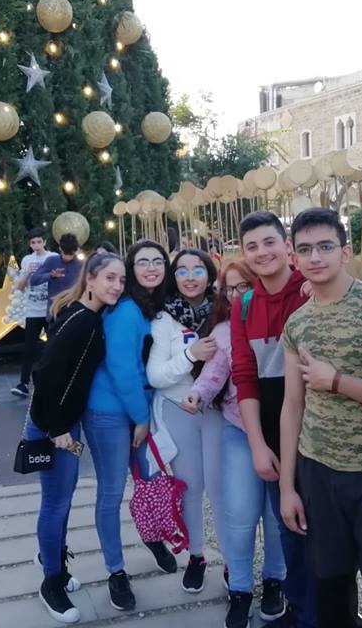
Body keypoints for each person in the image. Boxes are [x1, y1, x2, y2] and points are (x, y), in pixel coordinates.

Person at [279, 208, 362, 628]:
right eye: (305, 249)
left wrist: (337, 381)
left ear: (345, 251)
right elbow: (292, 405)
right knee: (330, 589)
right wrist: (287, 487)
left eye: (325, 246)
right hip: (318, 471)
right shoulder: (297, 322)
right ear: (294, 257)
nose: (315, 257)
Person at [28, 252, 126, 623]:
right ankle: (50, 581)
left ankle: (54, 561)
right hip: (53, 425)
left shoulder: (81, 313)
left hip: (62, 422)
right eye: (110, 278)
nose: (117, 286)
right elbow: (45, 373)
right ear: (90, 279)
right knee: (55, 503)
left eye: (122, 280)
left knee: (62, 500)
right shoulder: (83, 320)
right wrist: (56, 429)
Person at [190, 259, 287, 628]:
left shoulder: (281, 319)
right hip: (239, 429)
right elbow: (214, 373)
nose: (235, 295)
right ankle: (241, 589)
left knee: (278, 517)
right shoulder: (224, 331)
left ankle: (275, 581)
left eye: (242, 286)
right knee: (240, 513)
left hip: (282, 430)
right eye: (229, 289)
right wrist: (197, 394)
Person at [84, 240, 178, 612]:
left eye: (158, 261)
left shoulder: (152, 305)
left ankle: (152, 535)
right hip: (110, 411)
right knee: (111, 492)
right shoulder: (125, 310)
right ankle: (116, 570)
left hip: (138, 405)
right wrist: (140, 418)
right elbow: (122, 369)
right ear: (130, 268)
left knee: (149, 482)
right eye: (142, 262)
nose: (151, 268)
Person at [230, 210, 314, 628]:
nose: (262, 252)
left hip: (317, 429)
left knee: (322, 529)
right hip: (271, 427)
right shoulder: (243, 305)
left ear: (286, 245)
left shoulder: (311, 290)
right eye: (252, 246)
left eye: (269, 242)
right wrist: (257, 445)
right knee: (289, 527)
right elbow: (244, 376)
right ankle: (300, 610)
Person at [145, 249, 224, 593]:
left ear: (210, 274)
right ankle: (196, 556)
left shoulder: (224, 309)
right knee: (190, 487)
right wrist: (190, 354)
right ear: (173, 277)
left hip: (218, 409)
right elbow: (156, 375)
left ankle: (233, 562)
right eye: (182, 271)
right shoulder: (165, 318)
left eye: (198, 270)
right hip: (178, 408)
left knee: (221, 489)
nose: (190, 277)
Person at [13, 228, 57, 399]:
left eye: (39, 242)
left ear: (44, 242)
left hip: (50, 309)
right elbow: (20, 286)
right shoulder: (27, 260)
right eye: (33, 242)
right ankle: (23, 383)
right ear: (29, 244)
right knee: (29, 348)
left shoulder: (53, 257)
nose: (36, 245)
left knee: (53, 346)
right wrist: (28, 273)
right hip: (32, 310)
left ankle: (53, 381)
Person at [31, 233, 83, 316]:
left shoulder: (82, 265)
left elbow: (89, 289)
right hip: (55, 313)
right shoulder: (52, 261)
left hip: (74, 312)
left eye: (70, 254)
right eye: (65, 253)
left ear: (76, 250)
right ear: (60, 248)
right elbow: (33, 280)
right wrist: (50, 275)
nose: (67, 258)